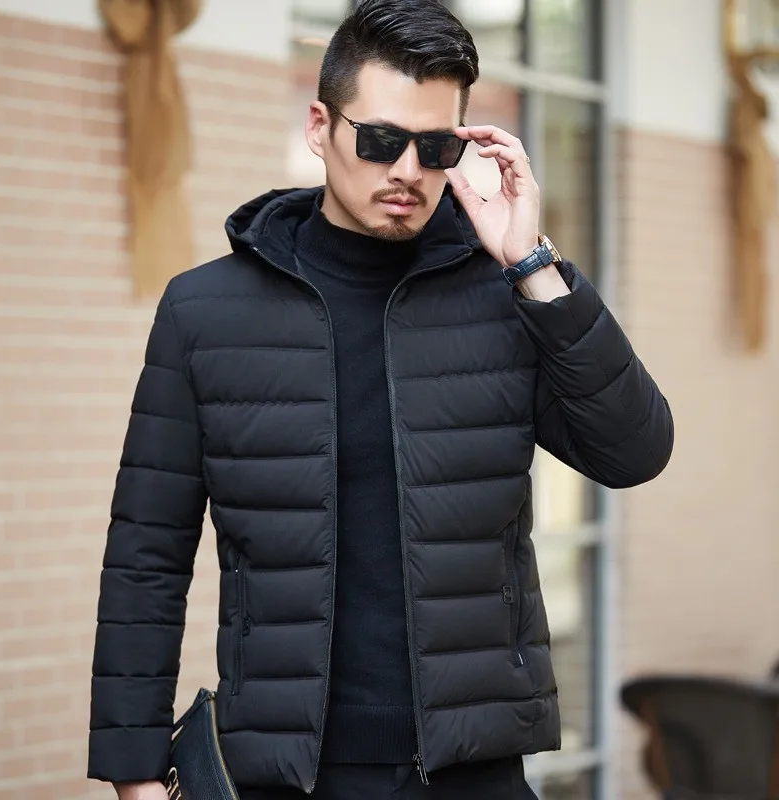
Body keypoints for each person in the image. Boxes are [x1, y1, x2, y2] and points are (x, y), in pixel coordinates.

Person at [88, 1, 674, 798]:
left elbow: (633, 452)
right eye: (380, 140)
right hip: (291, 773)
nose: (406, 170)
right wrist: (134, 773)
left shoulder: (505, 296)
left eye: (434, 147)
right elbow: (146, 553)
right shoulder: (205, 312)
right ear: (319, 127)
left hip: (475, 768)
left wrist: (535, 266)